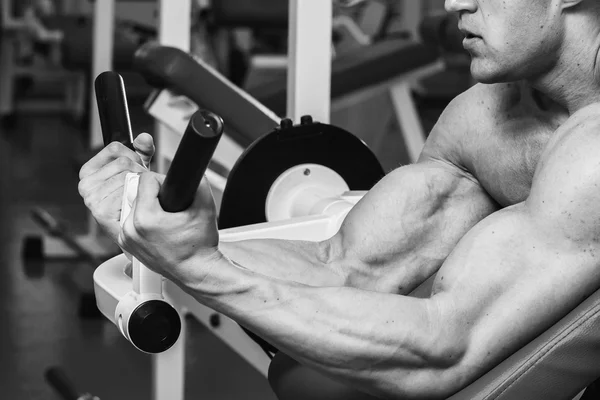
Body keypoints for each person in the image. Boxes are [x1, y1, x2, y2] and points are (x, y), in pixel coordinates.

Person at [78, 0, 600, 398]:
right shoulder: (485, 116)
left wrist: (199, 269)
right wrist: (155, 228)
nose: (451, 5)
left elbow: (445, 349)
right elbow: (343, 265)